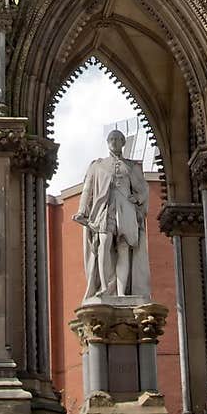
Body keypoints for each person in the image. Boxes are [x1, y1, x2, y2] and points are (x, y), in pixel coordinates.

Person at [73, 129, 151, 300]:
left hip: (126, 210)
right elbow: (87, 189)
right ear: (107, 142)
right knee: (104, 244)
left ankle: (121, 292)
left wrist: (137, 198)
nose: (114, 141)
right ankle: (105, 286)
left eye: (118, 139)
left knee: (123, 247)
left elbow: (144, 189)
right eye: (111, 139)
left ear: (123, 142)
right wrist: (82, 210)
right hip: (104, 209)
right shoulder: (97, 165)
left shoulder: (131, 166)